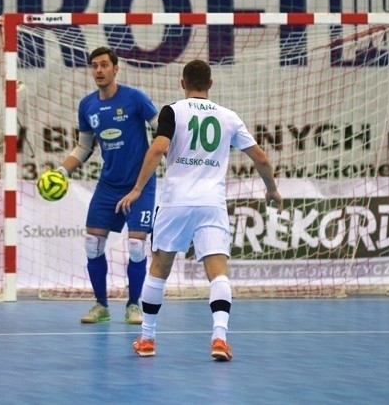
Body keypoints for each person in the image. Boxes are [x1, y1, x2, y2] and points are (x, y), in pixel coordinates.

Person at [116, 59, 283, 361]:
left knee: (159, 269)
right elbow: (261, 157)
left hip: (176, 201)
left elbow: (157, 148)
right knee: (218, 274)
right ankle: (219, 338)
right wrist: (271, 190)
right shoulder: (228, 117)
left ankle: (148, 338)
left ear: (183, 83)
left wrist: (138, 188)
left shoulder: (173, 111)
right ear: (210, 85)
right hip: (211, 203)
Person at [48, 47, 158, 325]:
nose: (99, 70)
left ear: (115, 68)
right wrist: (61, 172)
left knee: (136, 245)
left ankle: (134, 305)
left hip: (139, 185)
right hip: (108, 185)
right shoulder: (87, 105)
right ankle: (101, 305)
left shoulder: (135, 99)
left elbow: (161, 130)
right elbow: (84, 146)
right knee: (92, 243)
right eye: (94, 66)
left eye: (104, 65)